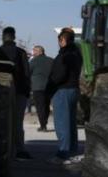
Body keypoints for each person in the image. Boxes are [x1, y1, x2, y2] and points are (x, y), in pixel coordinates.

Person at [0, 26, 32, 159]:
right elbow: (26, 74)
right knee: (17, 122)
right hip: (19, 91)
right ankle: (19, 149)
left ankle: (0, 149)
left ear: (3, 37)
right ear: (14, 37)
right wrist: (27, 91)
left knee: (0, 122)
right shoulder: (20, 53)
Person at [47, 28, 83, 161]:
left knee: (62, 123)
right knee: (70, 123)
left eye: (59, 40)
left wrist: (50, 86)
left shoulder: (65, 54)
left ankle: (63, 153)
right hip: (73, 89)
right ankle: (72, 150)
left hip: (62, 90)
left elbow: (60, 74)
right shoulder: (77, 53)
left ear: (63, 40)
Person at [29, 45, 54, 131]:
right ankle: (44, 122)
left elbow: (28, 71)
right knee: (46, 105)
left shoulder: (33, 61)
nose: (33, 53)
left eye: (34, 51)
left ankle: (43, 125)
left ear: (39, 52)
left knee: (40, 106)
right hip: (49, 86)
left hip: (37, 87)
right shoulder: (51, 60)